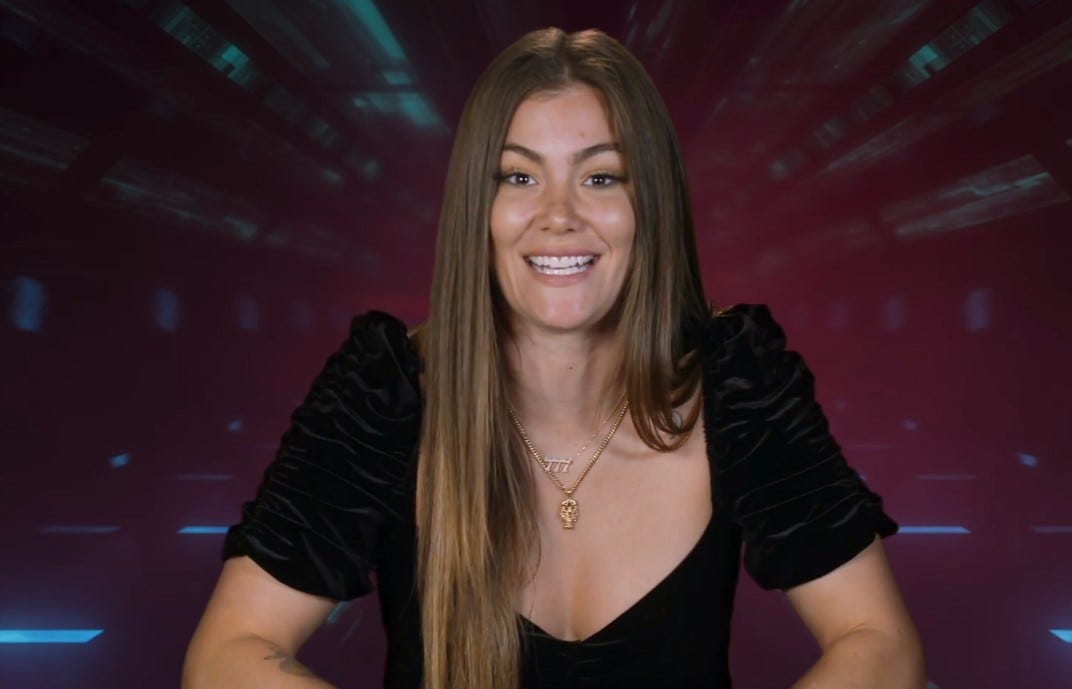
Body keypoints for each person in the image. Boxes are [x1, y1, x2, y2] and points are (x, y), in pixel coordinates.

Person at [182, 27, 925, 689]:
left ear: (650, 205)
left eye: (601, 177)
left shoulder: (739, 390)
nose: (559, 215)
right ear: (477, 209)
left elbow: (881, 645)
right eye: (518, 176)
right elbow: (227, 655)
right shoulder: (383, 397)